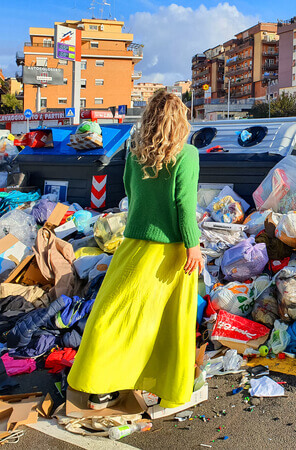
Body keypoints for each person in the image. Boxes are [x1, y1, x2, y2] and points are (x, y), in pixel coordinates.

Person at [68, 90, 203, 410]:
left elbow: (129, 191)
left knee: (117, 315)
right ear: (180, 119)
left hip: (133, 244)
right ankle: (160, 383)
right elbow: (185, 205)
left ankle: (103, 380)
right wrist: (193, 246)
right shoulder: (187, 154)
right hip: (171, 252)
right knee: (166, 323)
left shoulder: (134, 151)